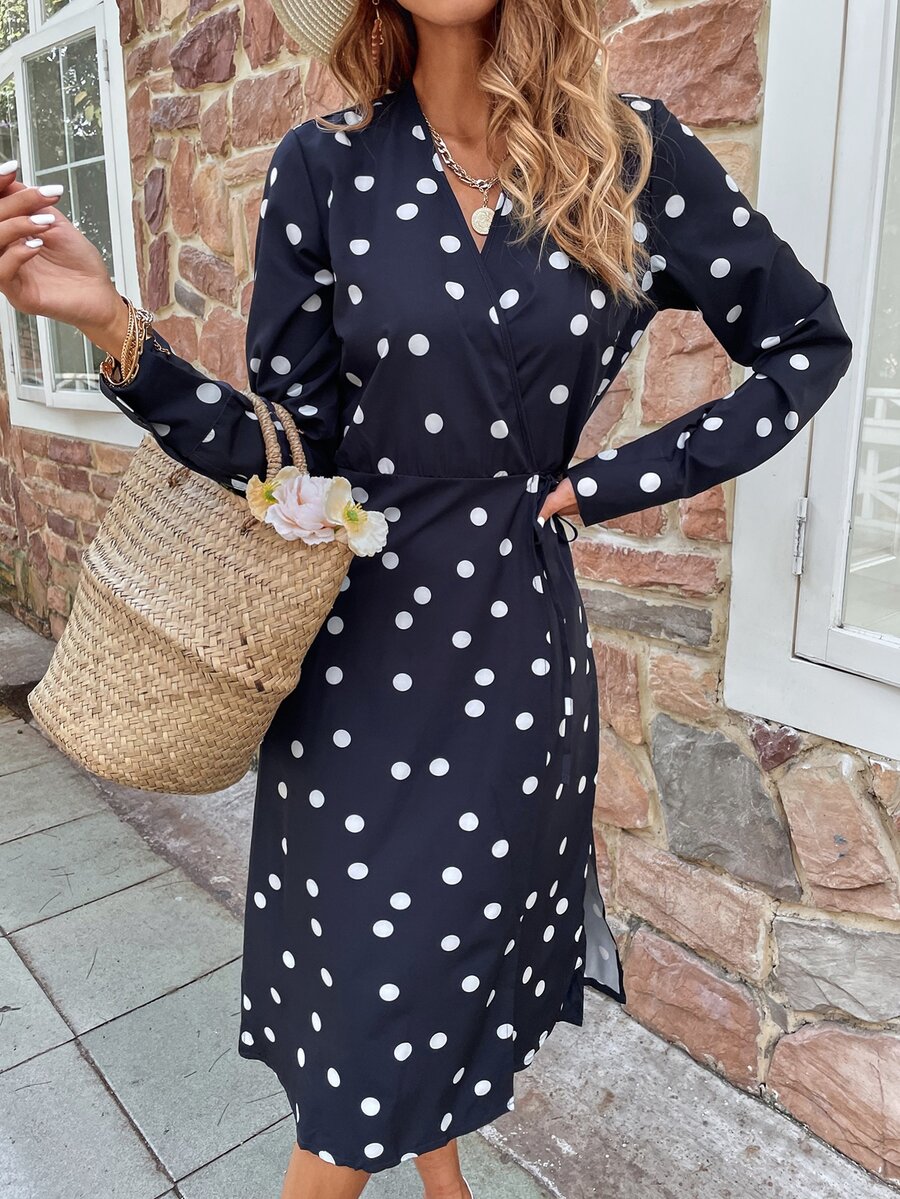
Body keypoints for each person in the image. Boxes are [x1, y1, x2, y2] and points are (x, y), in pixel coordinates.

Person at [1, 0, 852, 1195]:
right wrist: (114, 329)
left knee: (425, 976)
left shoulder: (630, 152)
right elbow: (291, 458)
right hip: (355, 661)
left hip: (512, 660)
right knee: (372, 999)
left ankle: (439, 1177)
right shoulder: (325, 166)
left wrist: (610, 484)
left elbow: (806, 342)